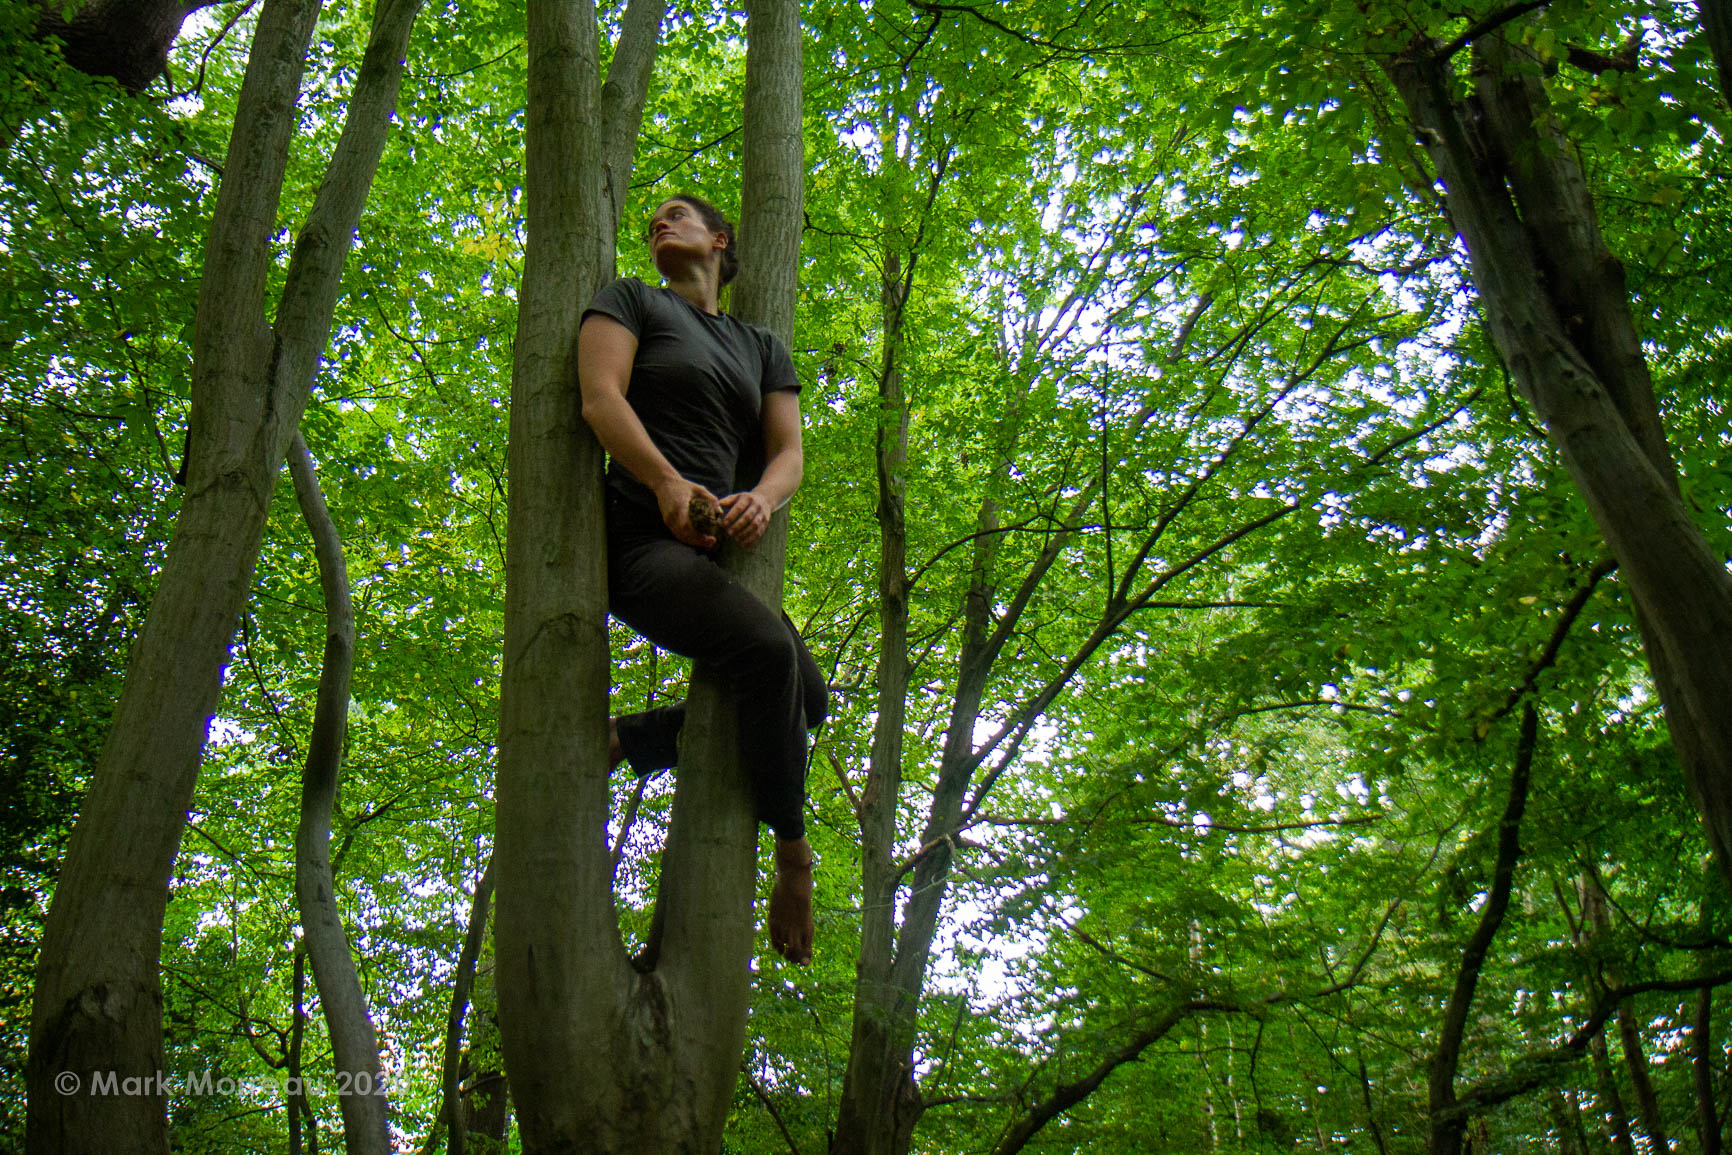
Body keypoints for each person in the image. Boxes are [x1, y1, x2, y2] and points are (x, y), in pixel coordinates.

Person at [577, 193, 827, 966]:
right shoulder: (629, 300)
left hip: (710, 548)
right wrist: (664, 482)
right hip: (637, 536)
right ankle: (793, 858)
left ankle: (632, 736)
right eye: (652, 215)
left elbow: (787, 452)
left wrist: (762, 498)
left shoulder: (760, 346)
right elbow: (600, 398)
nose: (660, 220)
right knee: (766, 653)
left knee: (809, 696)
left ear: (721, 240)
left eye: (678, 212)